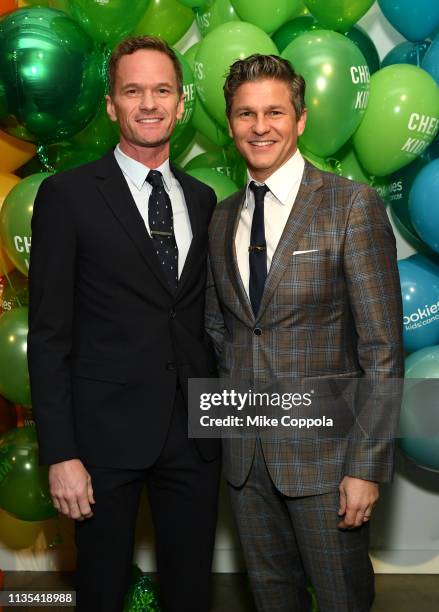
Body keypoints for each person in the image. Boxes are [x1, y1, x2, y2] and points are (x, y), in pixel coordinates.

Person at [28, 35, 220, 612]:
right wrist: (61, 455)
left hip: (194, 434)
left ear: (181, 102)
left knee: (191, 592)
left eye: (162, 90)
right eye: (132, 91)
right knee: (101, 591)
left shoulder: (204, 198)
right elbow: (50, 335)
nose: (149, 103)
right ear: (112, 105)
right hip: (101, 440)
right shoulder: (67, 197)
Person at [205, 54, 404, 612]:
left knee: (342, 599)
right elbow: (222, 332)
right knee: (271, 599)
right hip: (245, 458)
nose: (260, 126)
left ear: (301, 118)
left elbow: (383, 350)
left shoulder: (350, 206)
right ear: (230, 123)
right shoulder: (222, 218)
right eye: (246, 113)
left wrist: (365, 467)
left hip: (327, 461)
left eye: (274, 111)